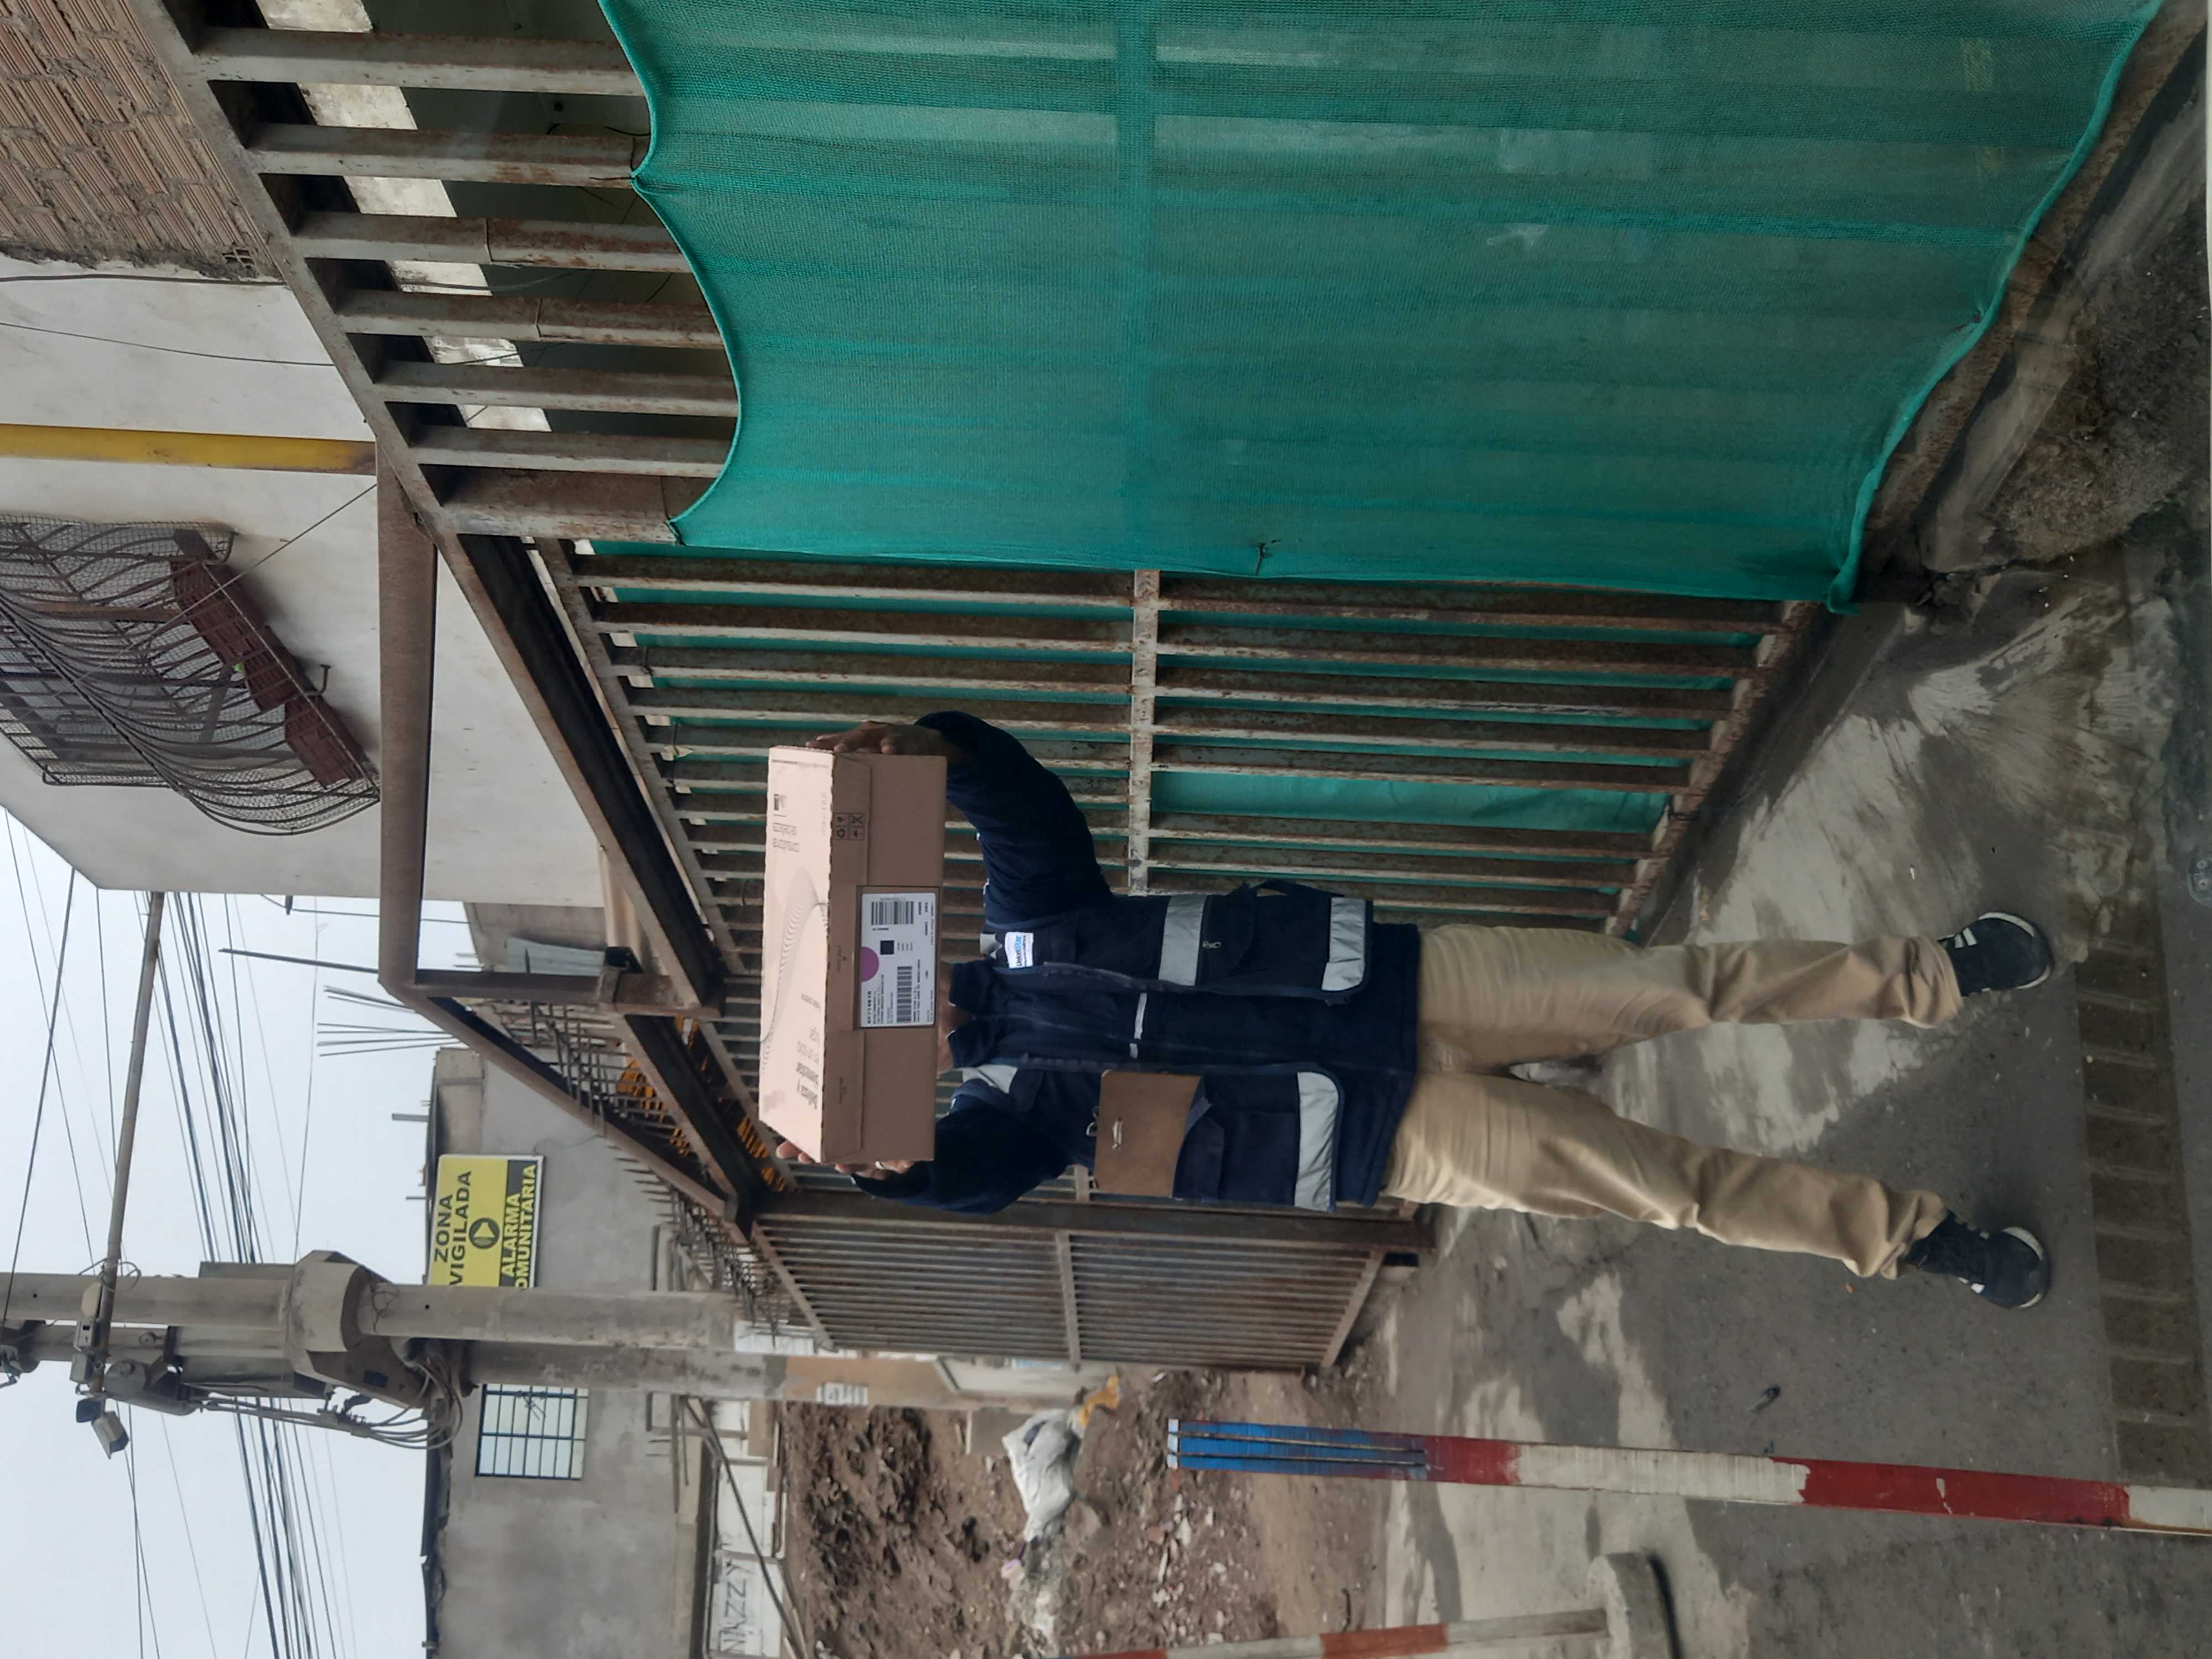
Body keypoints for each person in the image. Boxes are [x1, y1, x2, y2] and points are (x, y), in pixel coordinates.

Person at [773, 712, 2057, 1310]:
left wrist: (934, 748)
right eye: (864, 1029)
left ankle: (1930, 975)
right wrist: (893, 1172)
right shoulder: (1006, 1113)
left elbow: (1017, 801)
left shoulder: (1033, 919)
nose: (891, 1005)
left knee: (1680, 982)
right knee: (1671, 1190)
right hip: (1386, 1134)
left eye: (870, 975)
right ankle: (1911, 1241)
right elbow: (970, 1181)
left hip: (1409, 985)